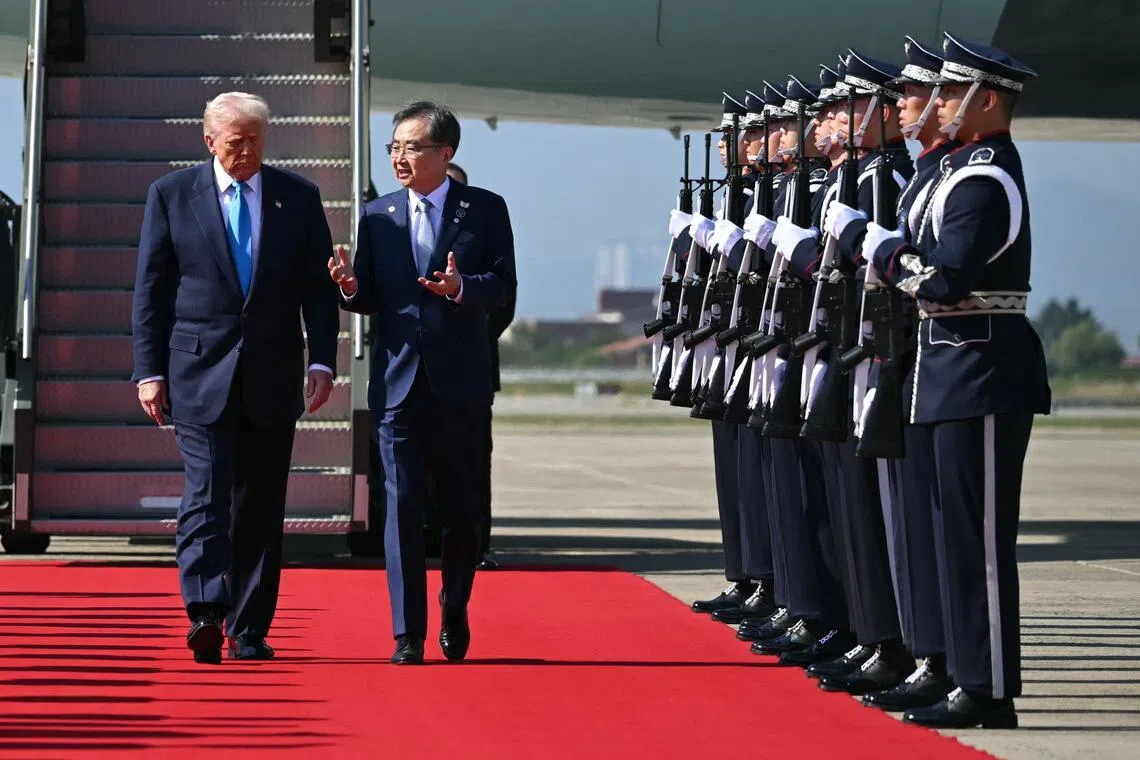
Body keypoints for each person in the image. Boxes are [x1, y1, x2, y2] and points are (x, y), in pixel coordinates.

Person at [861, 32, 1051, 728]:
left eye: (949, 91)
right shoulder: (952, 171)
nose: (935, 102)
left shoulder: (985, 177)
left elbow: (944, 279)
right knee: (944, 534)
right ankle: (949, 666)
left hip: (984, 368)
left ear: (986, 99)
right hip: (942, 369)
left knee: (979, 541)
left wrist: (882, 253)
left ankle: (990, 687)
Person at [131, 92, 340, 664]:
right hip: (197, 371)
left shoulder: (298, 197)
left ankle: (248, 627)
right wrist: (148, 371)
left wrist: (323, 361)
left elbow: (318, 292)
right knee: (205, 493)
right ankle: (204, 610)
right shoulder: (172, 195)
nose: (247, 151)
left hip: (272, 375)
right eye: (235, 141)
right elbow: (151, 291)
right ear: (209, 141)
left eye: (256, 140)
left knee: (261, 503)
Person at [329, 101, 516, 665]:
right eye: (393, 147)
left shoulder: (484, 210)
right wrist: (347, 286)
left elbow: (503, 288)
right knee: (402, 504)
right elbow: (371, 300)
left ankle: (454, 603)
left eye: (411, 147)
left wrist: (463, 289)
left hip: (459, 385)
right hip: (397, 384)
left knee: (462, 510)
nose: (398, 157)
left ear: (445, 153)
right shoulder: (378, 216)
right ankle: (406, 631)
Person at [824, 34, 959, 711]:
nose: (831, 125)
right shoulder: (887, 177)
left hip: (899, 356)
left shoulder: (891, 179)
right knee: (865, 508)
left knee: (900, 517)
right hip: (867, 356)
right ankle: (881, 637)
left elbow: (908, 272)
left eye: (850, 110)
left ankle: (899, 644)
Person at [445, 161, 516, 571]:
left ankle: (478, 547)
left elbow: (504, 299)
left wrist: (474, 338)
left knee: (473, 462)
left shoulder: (482, 229)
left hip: (473, 364)